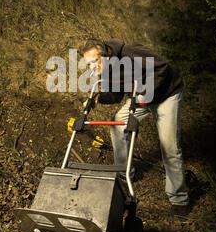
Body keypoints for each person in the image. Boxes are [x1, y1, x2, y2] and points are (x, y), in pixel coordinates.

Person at [81, 38, 189, 216]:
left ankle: (179, 198)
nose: (92, 67)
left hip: (166, 95)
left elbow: (164, 67)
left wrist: (146, 94)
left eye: (94, 62)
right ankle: (124, 175)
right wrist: (98, 99)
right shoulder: (106, 69)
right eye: (88, 64)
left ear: (106, 55)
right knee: (117, 125)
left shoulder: (129, 53)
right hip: (141, 99)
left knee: (169, 146)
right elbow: (115, 96)